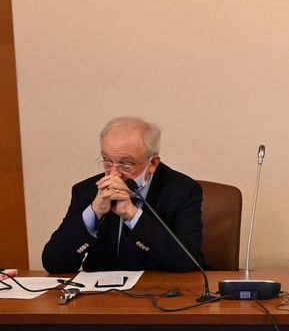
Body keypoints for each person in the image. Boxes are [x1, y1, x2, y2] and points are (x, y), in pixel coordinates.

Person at [42, 116, 203, 273]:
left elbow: (188, 262)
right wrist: (94, 212)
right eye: (107, 161)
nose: (114, 174)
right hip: (101, 290)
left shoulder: (182, 190)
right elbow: (53, 264)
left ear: (152, 163)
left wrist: (132, 214)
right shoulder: (87, 191)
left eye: (126, 163)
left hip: (160, 288)